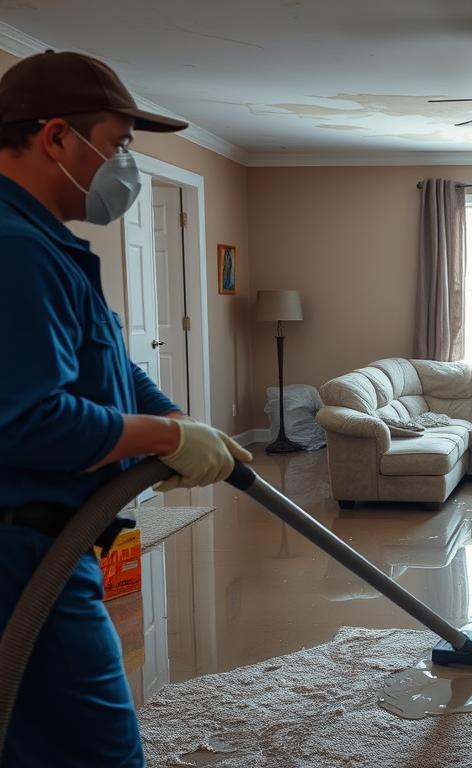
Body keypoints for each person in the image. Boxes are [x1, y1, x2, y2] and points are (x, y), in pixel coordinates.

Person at [0, 51, 252, 766]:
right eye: (116, 145)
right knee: (98, 750)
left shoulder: (46, 243)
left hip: (52, 542)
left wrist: (175, 425)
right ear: (56, 138)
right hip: (21, 556)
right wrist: (162, 434)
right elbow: (25, 421)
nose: (124, 167)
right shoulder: (14, 249)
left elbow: (106, 364)